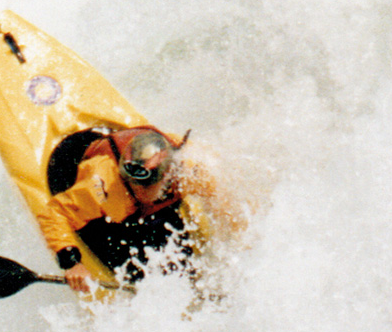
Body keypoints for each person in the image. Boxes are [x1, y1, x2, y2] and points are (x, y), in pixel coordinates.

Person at [36, 124, 242, 292]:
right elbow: (54, 213)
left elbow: (225, 202)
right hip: (70, 167)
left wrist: (238, 243)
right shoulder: (106, 187)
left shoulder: (188, 173)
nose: (135, 189)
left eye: (144, 186)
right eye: (132, 182)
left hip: (149, 204)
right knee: (137, 270)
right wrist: (72, 262)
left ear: (166, 177)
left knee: (180, 254)